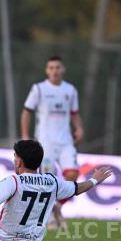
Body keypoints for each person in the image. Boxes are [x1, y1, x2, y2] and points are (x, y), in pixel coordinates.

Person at [20, 56, 84, 229]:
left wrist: (79, 128)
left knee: (72, 175)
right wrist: (25, 135)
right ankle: (48, 216)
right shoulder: (39, 89)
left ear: (63, 69)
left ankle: (57, 206)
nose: (54, 70)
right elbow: (27, 111)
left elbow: (74, 112)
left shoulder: (70, 90)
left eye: (57, 67)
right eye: (51, 67)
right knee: (47, 180)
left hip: (65, 142)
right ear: (47, 70)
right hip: (45, 142)